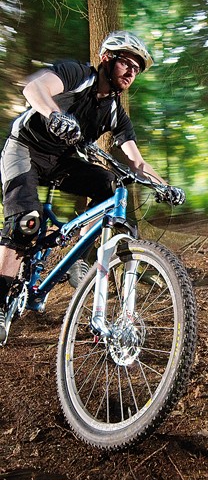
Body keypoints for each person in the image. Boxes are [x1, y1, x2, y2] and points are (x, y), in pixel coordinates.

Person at [0, 30, 185, 341]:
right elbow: (34, 88)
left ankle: (79, 258)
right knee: (26, 223)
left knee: (110, 185)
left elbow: (137, 162)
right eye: (126, 63)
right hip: (24, 149)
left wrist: (164, 186)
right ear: (106, 60)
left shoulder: (115, 112)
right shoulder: (78, 74)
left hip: (60, 160)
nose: (131, 72)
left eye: (137, 69)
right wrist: (55, 115)